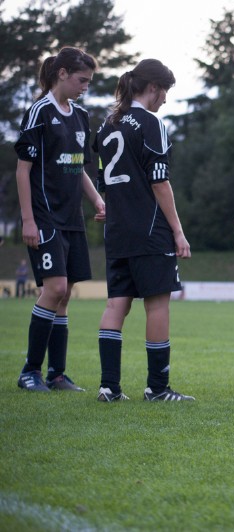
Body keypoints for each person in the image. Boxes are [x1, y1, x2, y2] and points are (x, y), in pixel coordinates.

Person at [94, 59, 194, 402]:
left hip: (117, 231)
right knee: (157, 306)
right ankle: (157, 388)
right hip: (150, 232)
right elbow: (160, 182)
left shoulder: (107, 125)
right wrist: (178, 232)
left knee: (115, 305)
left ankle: (109, 387)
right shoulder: (151, 123)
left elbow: (104, 181)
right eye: (165, 92)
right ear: (153, 88)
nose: (165, 99)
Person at [14, 47, 105, 392]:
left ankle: (57, 374)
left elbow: (78, 165)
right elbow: (23, 171)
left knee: (65, 295)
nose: (85, 86)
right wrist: (28, 220)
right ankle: (30, 372)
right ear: (63, 73)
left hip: (71, 218)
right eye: (82, 80)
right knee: (54, 288)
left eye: (89, 81)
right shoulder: (39, 112)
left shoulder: (80, 116)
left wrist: (97, 199)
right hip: (43, 216)